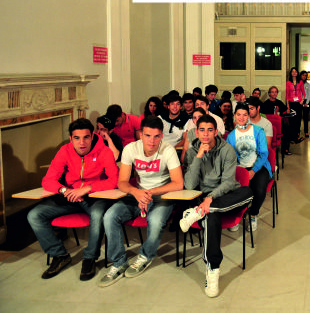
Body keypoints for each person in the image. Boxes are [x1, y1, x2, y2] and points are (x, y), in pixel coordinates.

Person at [27, 118, 118, 281]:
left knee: (98, 215)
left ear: (92, 136)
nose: (82, 143)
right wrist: (64, 190)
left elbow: (114, 180)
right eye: (77, 138)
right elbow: (47, 180)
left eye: (86, 137)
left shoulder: (104, 152)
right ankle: (59, 255)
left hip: (94, 196)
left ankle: (89, 258)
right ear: (71, 138)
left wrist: (87, 188)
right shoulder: (65, 151)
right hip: (70, 195)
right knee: (34, 215)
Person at [99, 117, 184, 287]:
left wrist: (149, 193)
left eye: (156, 136)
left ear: (161, 136)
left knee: (156, 220)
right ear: (140, 135)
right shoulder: (131, 149)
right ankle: (119, 262)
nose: (152, 141)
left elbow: (178, 183)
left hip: (162, 195)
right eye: (147, 136)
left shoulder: (168, 150)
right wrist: (136, 192)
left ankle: (145, 256)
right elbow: (122, 182)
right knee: (109, 216)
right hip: (136, 194)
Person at [179, 114, 254, 297]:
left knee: (248, 192)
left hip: (225, 196)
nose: (205, 134)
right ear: (196, 132)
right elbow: (189, 185)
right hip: (202, 197)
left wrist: (211, 198)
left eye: (210, 130)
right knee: (211, 218)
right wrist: (198, 157)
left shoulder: (227, 150)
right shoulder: (192, 151)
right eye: (202, 130)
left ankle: (197, 212)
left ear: (216, 132)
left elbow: (228, 182)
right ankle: (212, 269)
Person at [225, 104, 272, 232]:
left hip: (259, 167)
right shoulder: (231, 136)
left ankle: (253, 214)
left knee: (260, 190)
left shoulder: (258, 131)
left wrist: (253, 170)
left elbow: (264, 153)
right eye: (238, 114)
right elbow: (231, 157)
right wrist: (241, 171)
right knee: (233, 191)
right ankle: (237, 215)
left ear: (248, 116)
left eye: (245, 115)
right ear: (234, 116)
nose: (241, 117)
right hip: (240, 169)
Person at [262, 86, 292, 156]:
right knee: (284, 125)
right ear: (269, 93)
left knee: (286, 128)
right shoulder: (266, 104)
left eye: (275, 92)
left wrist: (287, 110)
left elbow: (285, 110)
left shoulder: (279, 102)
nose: (274, 93)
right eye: (272, 92)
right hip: (269, 123)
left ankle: (285, 149)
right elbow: (263, 116)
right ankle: (294, 138)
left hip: (279, 123)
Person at [285, 67, 305, 144]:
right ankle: (291, 137)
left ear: (297, 73)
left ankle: (297, 136)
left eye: (295, 71)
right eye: (292, 71)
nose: (294, 73)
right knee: (292, 120)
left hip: (298, 103)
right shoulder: (288, 83)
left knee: (298, 120)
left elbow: (303, 93)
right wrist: (288, 105)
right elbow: (287, 95)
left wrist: (302, 100)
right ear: (291, 73)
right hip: (291, 103)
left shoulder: (300, 82)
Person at [300, 70, 310, 138]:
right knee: (298, 117)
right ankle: (297, 132)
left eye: (305, 75)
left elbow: (309, 94)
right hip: (299, 101)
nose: (304, 76)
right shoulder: (298, 84)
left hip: (306, 101)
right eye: (303, 75)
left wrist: (307, 103)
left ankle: (306, 132)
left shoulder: (308, 85)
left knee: (305, 117)